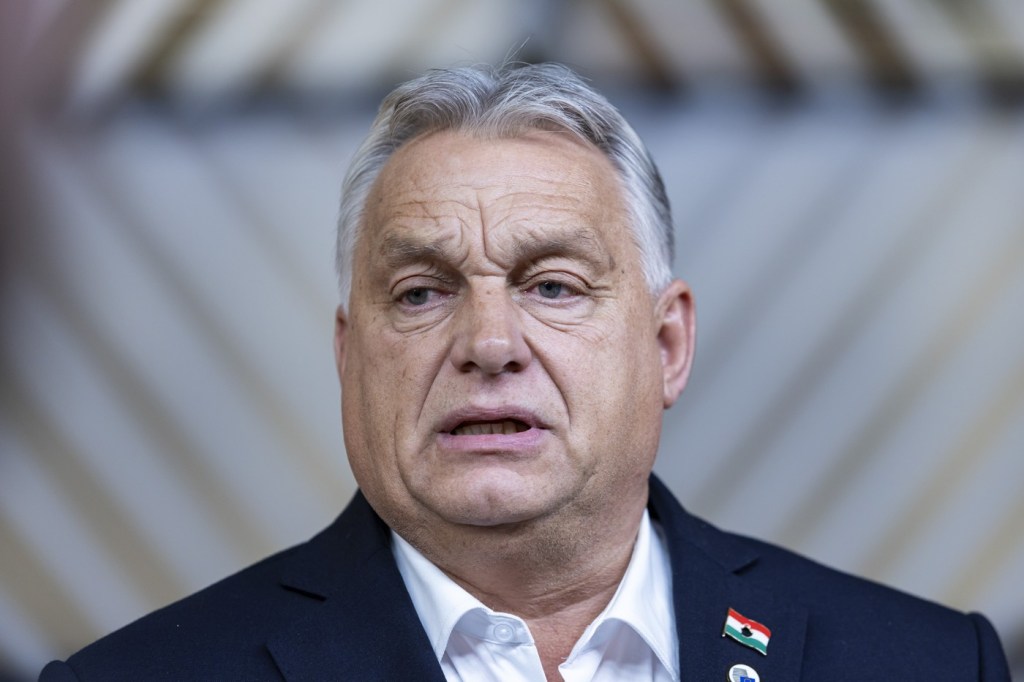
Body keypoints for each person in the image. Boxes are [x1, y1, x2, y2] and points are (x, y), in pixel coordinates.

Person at [40, 62, 1009, 681]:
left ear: (666, 346)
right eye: (421, 292)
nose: (489, 341)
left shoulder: (925, 665)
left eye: (552, 285)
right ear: (348, 355)